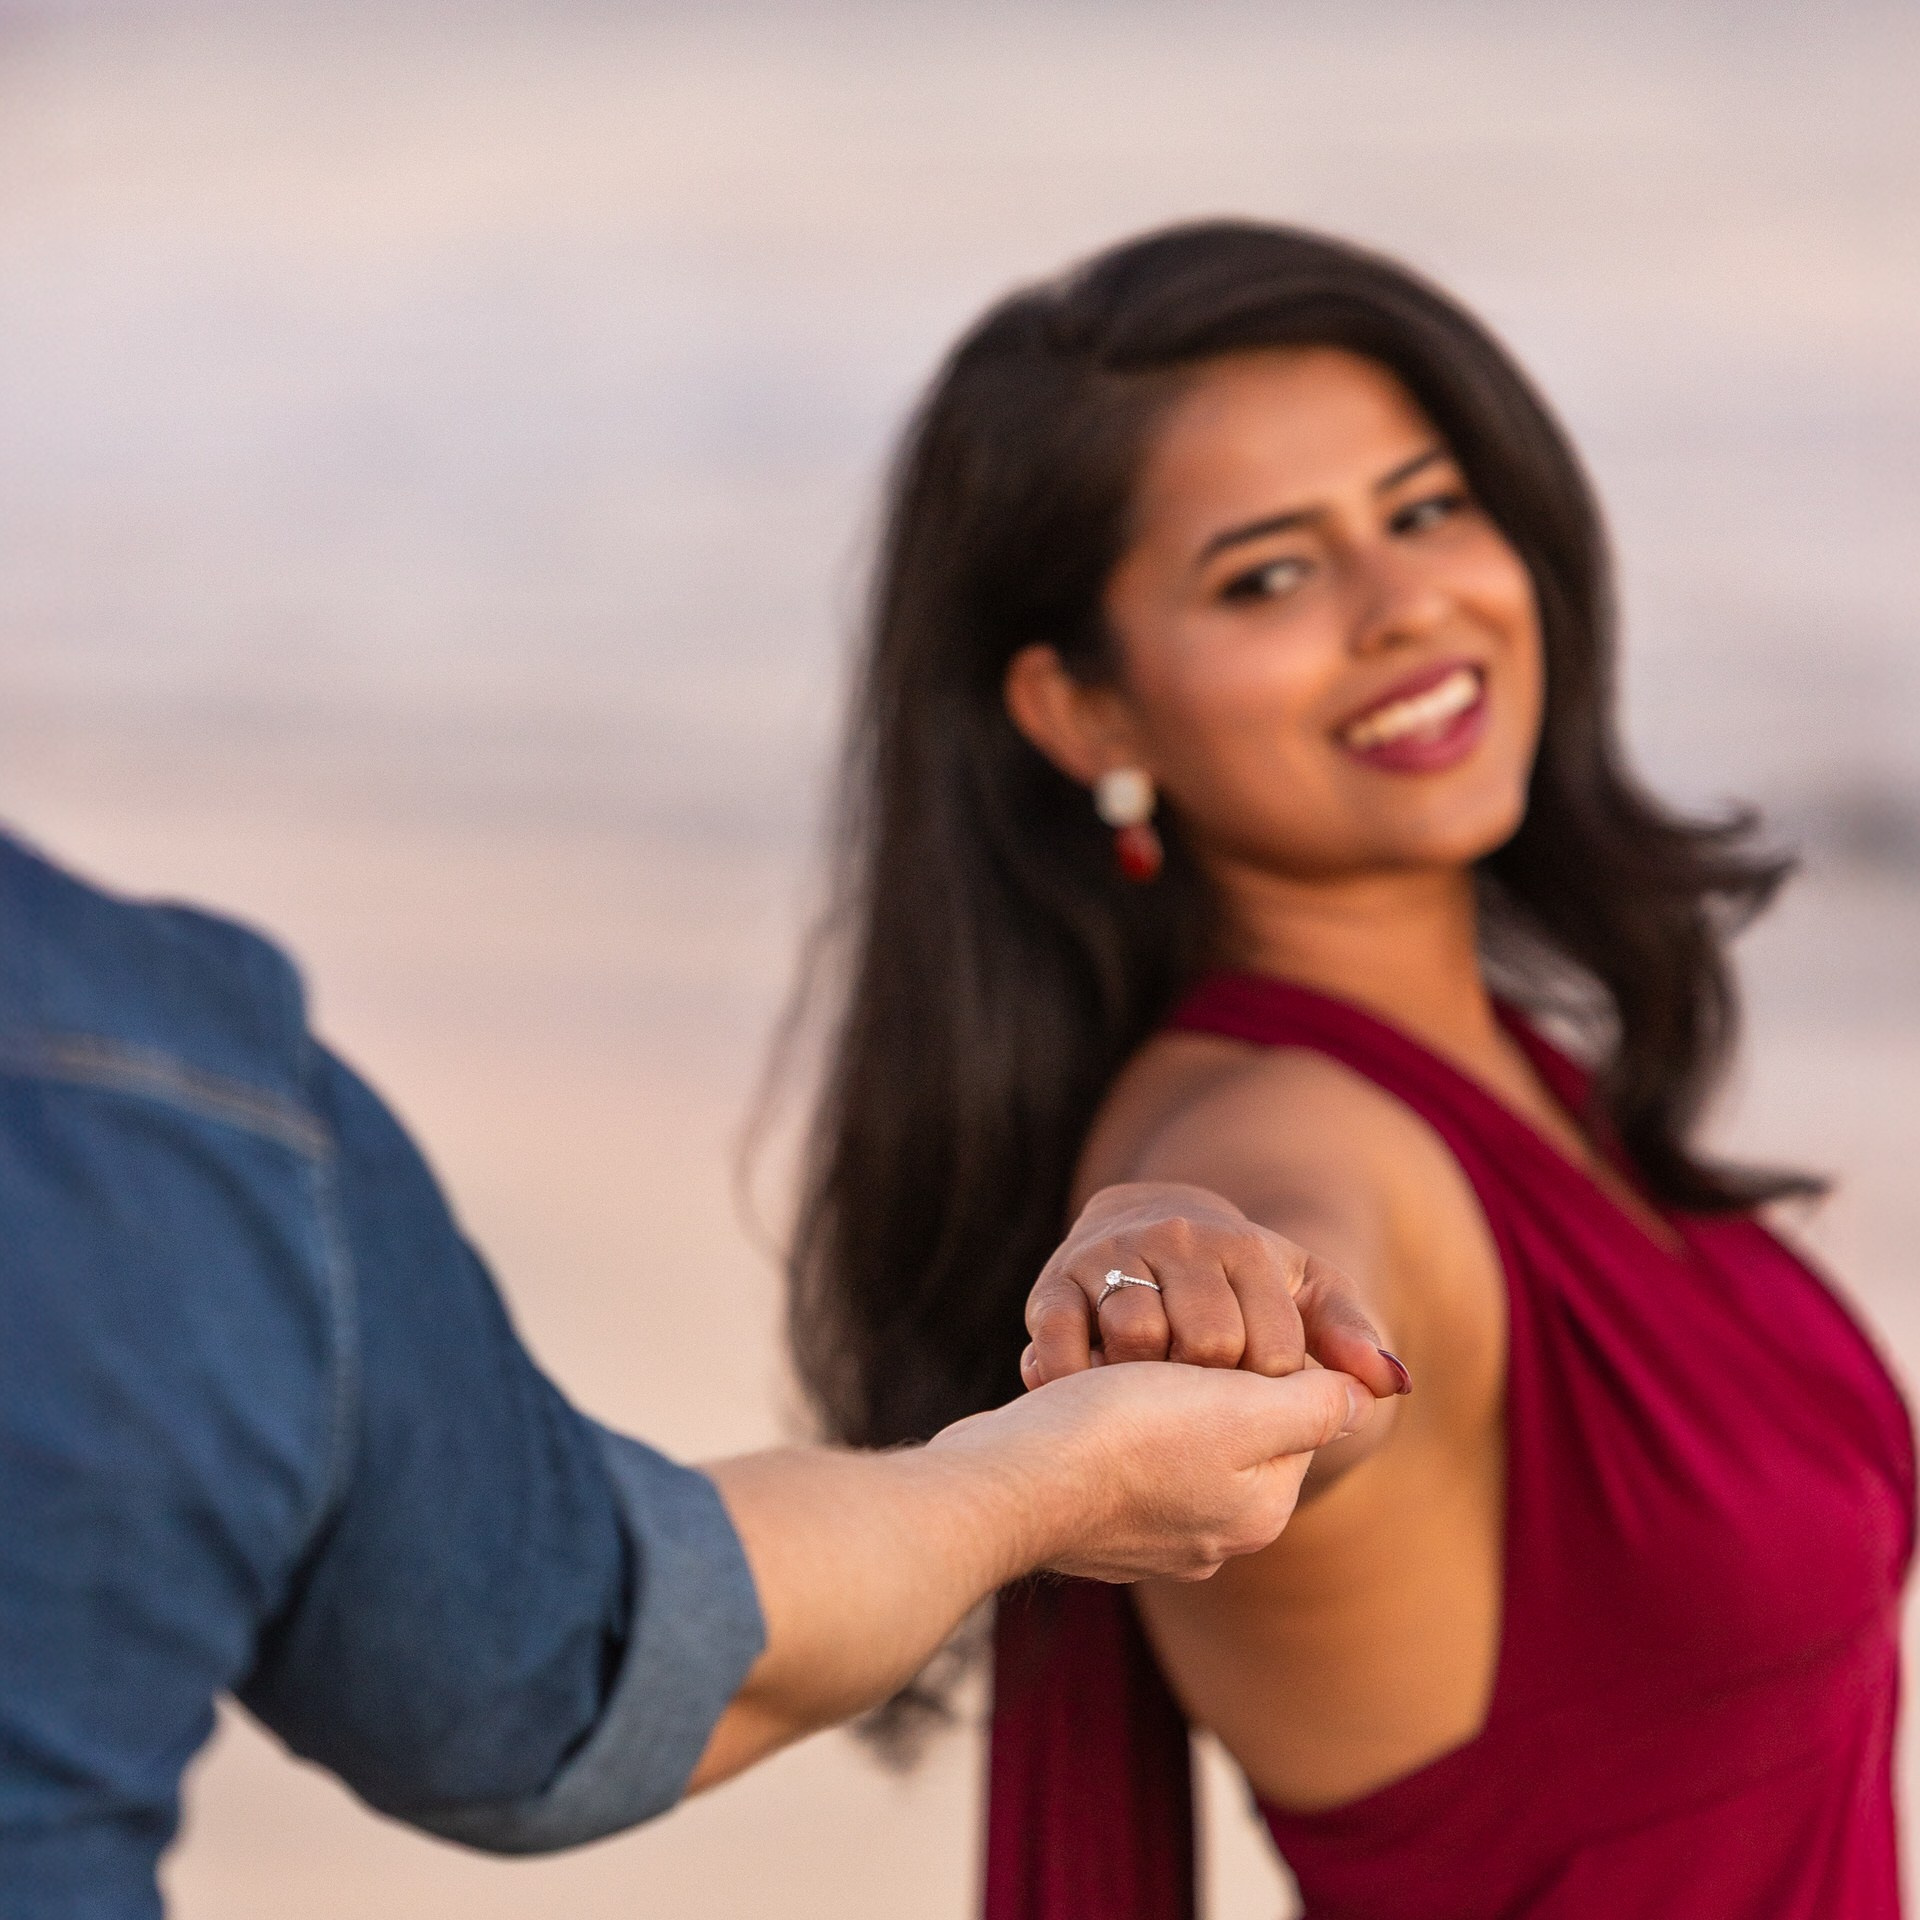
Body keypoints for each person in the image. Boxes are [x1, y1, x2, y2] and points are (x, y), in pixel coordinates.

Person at [786, 221, 1915, 1919]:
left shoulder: (1504, 1064)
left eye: (1426, 509)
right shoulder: (1279, 1127)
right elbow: (1294, 1322)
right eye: (1269, 575)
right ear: (1086, 713)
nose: (1408, 609)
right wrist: (1169, 1267)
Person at [0, 823, 1393, 1920]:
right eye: (1263, 576)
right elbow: (548, 1670)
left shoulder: (160, 1092)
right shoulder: (154, 1094)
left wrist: (1047, 1475)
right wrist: (1054, 1464)